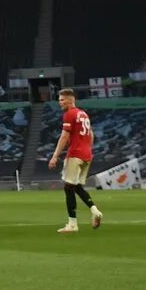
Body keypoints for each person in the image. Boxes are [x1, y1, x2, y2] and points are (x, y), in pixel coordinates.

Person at [47, 87, 104, 233]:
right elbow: (91, 135)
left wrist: (55, 156)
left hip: (75, 154)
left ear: (70, 100)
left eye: (62, 100)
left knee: (68, 187)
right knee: (76, 186)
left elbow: (64, 137)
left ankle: (72, 224)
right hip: (86, 155)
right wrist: (88, 150)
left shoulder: (69, 114)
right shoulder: (83, 114)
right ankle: (95, 211)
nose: (59, 103)